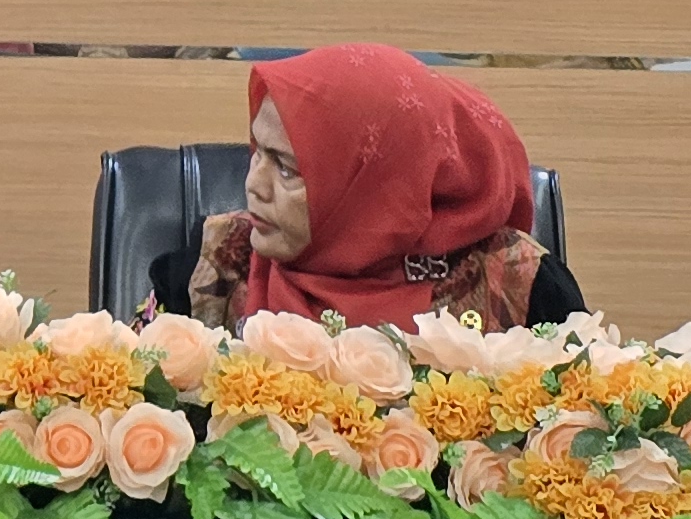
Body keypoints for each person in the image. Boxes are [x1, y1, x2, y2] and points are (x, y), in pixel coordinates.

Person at [158, 43, 587, 332]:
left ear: (376, 188)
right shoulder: (214, 264)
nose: (254, 185)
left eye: (286, 168)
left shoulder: (517, 283)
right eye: (258, 152)